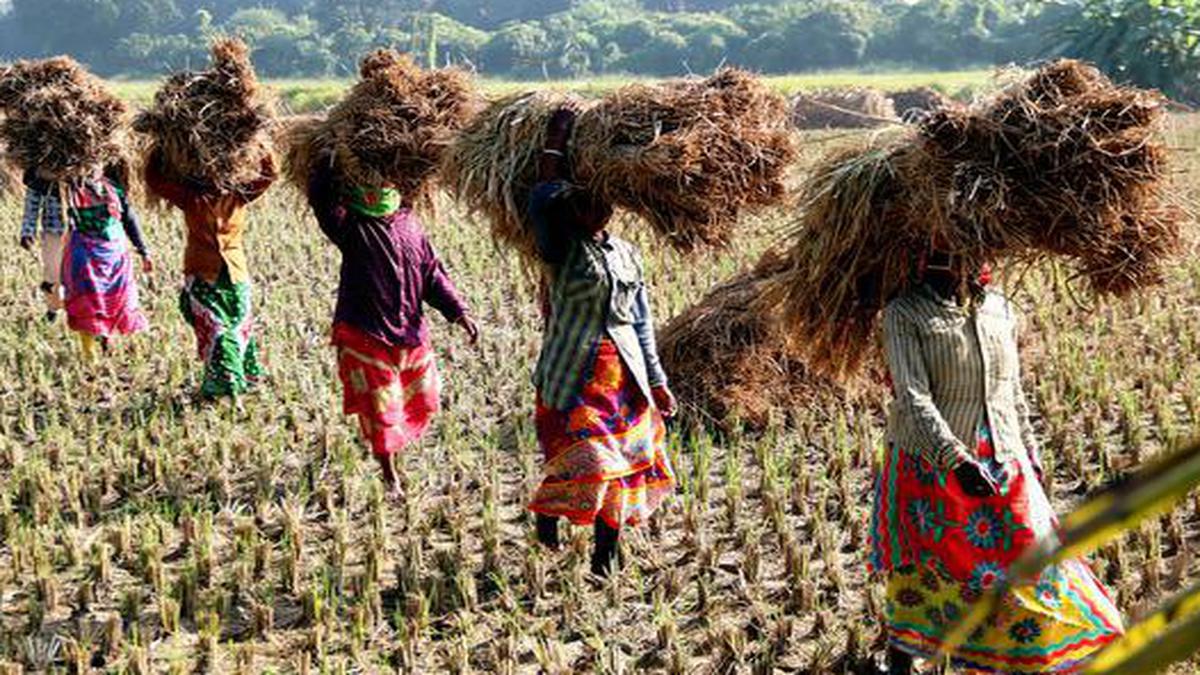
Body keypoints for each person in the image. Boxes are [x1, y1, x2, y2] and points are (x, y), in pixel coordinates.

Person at [871, 250, 1123, 674]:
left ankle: (1025, 656)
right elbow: (912, 397)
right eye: (952, 254)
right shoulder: (903, 314)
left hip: (1004, 459)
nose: (966, 264)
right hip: (930, 464)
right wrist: (956, 460)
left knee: (1037, 560)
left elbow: (1013, 393)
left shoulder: (1001, 309)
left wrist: (1031, 452)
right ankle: (903, 652)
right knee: (929, 566)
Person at [527, 107, 677, 577]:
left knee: (624, 466)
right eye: (583, 204)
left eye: (601, 204)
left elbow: (642, 323)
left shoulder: (626, 254)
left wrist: (657, 380)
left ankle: (604, 552)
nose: (593, 211)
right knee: (593, 460)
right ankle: (549, 510)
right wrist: (559, 136)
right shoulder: (560, 247)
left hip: (623, 382)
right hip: (573, 379)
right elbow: (542, 197)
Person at [306, 161, 479, 498]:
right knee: (381, 409)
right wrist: (329, 158)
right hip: (364, 333)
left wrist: (459, 311)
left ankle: (393, 455)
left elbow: (432, 274)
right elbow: (322, 200)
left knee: (422, 398)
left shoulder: (408, 223)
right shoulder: (351, 225)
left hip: (410, 334)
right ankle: (390, 476)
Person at [144, 151, 275, 400]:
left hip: (235, 273)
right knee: (216, 330)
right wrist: (160, 150)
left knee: (236, 327)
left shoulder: (238, 196)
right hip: (202, 272)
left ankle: (236, 380)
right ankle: (223, 383)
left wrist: (260, 148)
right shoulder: (191, 198)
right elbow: (155, 180)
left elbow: (269, 175)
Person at [61, 164, 152, 362]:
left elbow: (129, 219)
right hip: (84, 254)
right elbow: (32, 179)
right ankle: (89, 355)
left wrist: (143, 250)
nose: (92, 170)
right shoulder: (71, 187)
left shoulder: (113, 188)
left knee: (119, 300)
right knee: (87, 303)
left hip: (115, 256)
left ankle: (107, 336)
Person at [19, 168, 67, 322]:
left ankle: (85, 315)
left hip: (80, 232)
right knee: (52, 274)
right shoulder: (40, 174)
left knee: (79, 274)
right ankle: (53, 308)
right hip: (53, 231)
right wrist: (28, 231)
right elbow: (31, 205)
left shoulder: (79, 173)